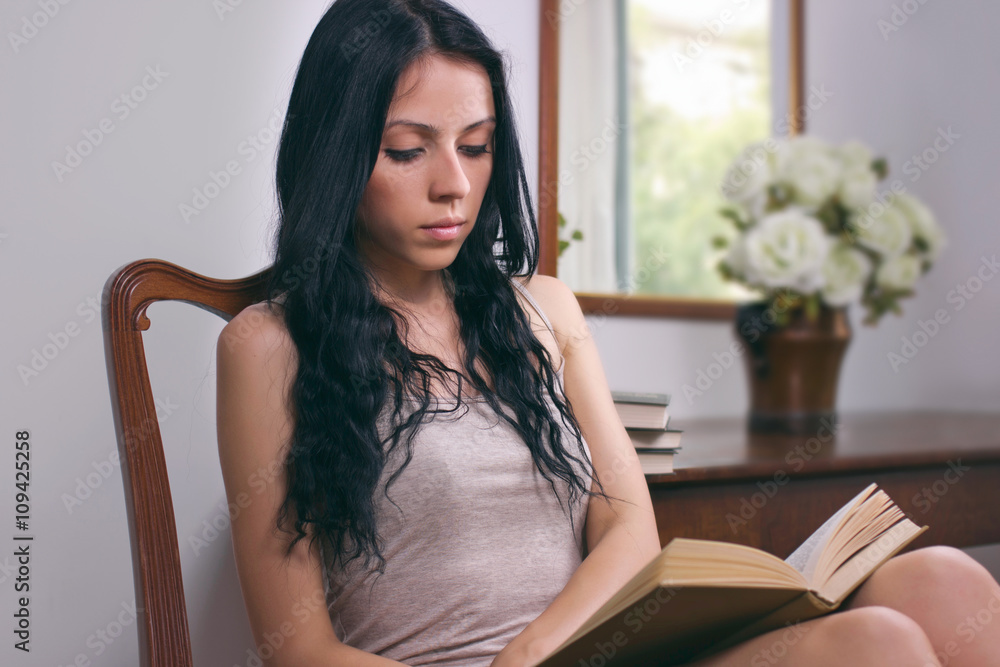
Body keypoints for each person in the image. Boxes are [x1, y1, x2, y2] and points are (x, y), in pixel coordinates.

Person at [215, 1, 1000, 665]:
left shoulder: (543, 309)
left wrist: (533, 653)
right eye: (407, 150)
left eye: (478, 146)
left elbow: (628, 525)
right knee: (880, 644)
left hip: (593, 648)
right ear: (339, 154)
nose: (453, 182)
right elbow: (300, 650)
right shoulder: (267, 346)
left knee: (942, 582)